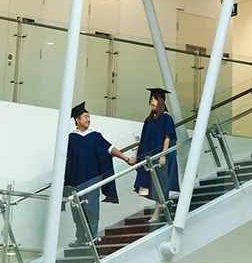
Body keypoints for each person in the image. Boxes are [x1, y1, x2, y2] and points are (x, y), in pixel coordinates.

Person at [64, 101, 131, 244]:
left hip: (92, 179)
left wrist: (126, 158)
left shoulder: (95, 136)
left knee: (92, 208)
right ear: (77, 119)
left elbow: (110, 149)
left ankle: (92, 236)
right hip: (75, 181)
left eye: (89, 117)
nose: (88, 119)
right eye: (85, 117)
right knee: (77, 210)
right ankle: (80, 237)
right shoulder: (71, 138)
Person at [134, 88, 179, 222]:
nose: (150, 103)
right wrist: (136, 154)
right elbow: (143, 138)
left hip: (160, 157)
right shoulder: (149, 120)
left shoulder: (166, 118)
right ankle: (161, 210)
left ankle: (157, 213)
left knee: (160, 184)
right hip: (149, 157)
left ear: (159, 101)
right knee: (149, 183)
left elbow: (168, 137)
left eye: (152, 100)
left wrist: (163, 155)